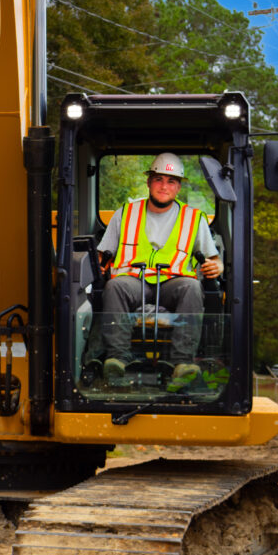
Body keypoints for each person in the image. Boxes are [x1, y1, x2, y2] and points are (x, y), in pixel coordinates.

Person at [94, 153, 223, 384]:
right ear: (149, 182)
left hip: (173, 283)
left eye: (171, 181)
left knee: (192, 286)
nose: (164, 186)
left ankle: (182, 362)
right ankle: (117, 360)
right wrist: (98, 267)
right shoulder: (125, 213)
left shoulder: (194, 218)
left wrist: (218, 266)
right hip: (134, 281)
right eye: (159, 179)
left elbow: (215, 258)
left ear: (179, 187)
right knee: (114, 286)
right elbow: (102, 254)